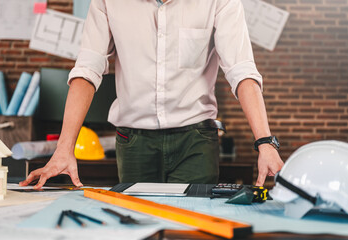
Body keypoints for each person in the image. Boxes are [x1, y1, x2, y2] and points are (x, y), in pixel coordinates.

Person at [20, 0, 284, 189]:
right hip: (134, 142)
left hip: (195, 140)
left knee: (189, 228)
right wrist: (64, 148)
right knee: (138, 223)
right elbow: (87, 70)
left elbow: (241, 71)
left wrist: (265, 142)